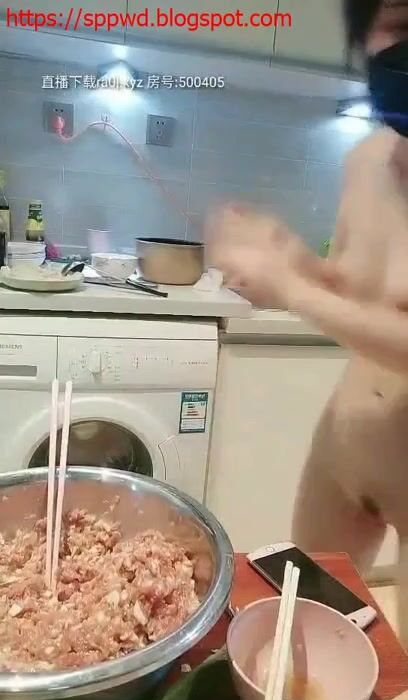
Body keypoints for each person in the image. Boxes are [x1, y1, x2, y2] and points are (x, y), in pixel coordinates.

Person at [207, 0, 408, 646]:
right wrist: (289, 259)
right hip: (345, 445)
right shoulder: (367, 160)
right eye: (403, 25)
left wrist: (292, 288)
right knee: (299, 616)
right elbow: (358, 286)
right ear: (365, 37)